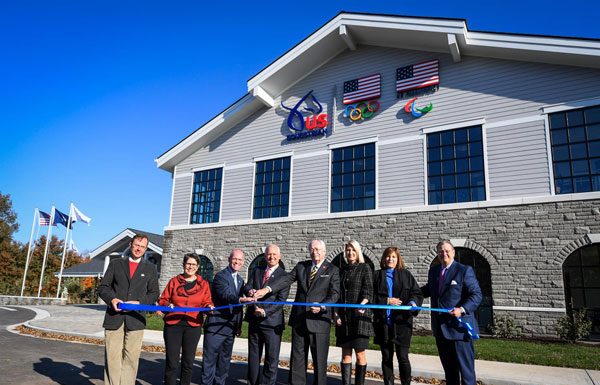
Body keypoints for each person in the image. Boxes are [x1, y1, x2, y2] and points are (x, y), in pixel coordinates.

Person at [255, 239, 340, 385]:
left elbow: (335, 294)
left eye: (318, 249)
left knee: (319, 360)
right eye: (312, 249)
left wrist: (322, 306)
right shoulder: (301, 266)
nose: (315, 252)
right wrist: (267, 289)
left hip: (319, 321)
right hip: (299, 320)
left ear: (324, 252)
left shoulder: (332, 270)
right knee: (297, 359)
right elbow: (286, 280)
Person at [98, 233, 160, 385]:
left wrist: (140, 302)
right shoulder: (115, 264)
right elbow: (103, 287)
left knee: (131, 359)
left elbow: (154, 293)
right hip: (114, 317)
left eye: (142, 247)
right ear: (130, 245)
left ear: (146, 249)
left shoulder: (150, 268)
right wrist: (112, 299)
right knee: (112, 358)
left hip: (136, 319)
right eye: (137, 245)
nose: (139, 249)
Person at [421, 240, 482, 385]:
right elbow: (428, 290)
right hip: (441, 330)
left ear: (453, 252)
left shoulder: (464, 270)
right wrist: (408, 296)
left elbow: (476, 295)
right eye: (440, 251)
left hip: (459, 329)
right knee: (450, 372)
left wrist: (461, 309)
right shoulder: (434, 271)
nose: (444, 254)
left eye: (447, 250)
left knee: (466, 374)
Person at [158, 253, 214, 385]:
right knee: (172, 362)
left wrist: (209, 306)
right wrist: (167, 305)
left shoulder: (204, 284)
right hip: (173, 325)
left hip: (193, 326)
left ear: (198, 267)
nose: (191, 267)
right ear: (183, 265)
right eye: (188, 264)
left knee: (188, 363)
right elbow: (163, 300)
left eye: (194, 264)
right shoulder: (174, 281)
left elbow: (207, 301)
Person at [201, 249, 253, 385]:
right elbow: (226, 295)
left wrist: (251, 291)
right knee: (209, 360)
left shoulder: (240, 280)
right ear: (229, 259)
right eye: (235, 259)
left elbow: (245, 289)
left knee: (224, 361)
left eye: (240, 260)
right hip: (216, 326)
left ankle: (220, 383)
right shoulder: (220, 276)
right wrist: (242, 300)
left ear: (243, 262)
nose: (237, 262)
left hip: (230, 327)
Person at [373, 247, 424, 385]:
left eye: (394, 257)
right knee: (386, 357)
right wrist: (387, 301)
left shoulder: (406, 275)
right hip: (383, 323)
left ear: (398, 259)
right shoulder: (376, 275)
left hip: (402, 324)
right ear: (384, 259)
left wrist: (413, 302)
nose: (390, 259)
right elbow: (369, 296)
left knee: (403, 357)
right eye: (388, 256)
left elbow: (417, 293)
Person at [243, 244, 290, 385]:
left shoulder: (284, 276)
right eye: (269, 254)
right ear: (265, 256)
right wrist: (250, 291)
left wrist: (264, 312)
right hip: (254, 322)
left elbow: (281, 300)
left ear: (279, 256)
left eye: (275, 254)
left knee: (271, 359)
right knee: (253, 358)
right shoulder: (257, 270)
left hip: (272, 323)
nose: (272, 257)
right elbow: (247, 286)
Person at [334, 240, 374, 385]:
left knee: (360, 355)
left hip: (359, 317)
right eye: (348, 250)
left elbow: (369, 291)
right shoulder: (341, 270)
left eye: (352, 250)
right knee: (345, 355)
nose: (350, 253)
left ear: (357, 252)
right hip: (343, 318)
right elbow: (337, 294)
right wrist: (336, 313)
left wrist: (362, 304)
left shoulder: (365, 268)